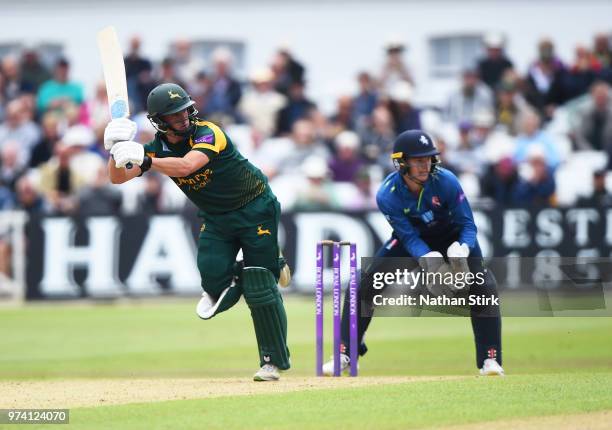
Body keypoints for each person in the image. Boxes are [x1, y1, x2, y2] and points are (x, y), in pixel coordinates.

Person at [103, 82, 291, 382]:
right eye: (175, 116)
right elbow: (117, 178)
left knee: (260, 285)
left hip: (255, 207)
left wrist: (146, 159)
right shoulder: (156, 147)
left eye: (185, 111)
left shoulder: (209, 132)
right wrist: (114, 150)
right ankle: (269, 262)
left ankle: (272, 361)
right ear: (159, 121)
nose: (184, 119)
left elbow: (188, 166)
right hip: (217, 218)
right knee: (213, 283)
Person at [322, 130, 503, 377]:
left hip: (454, 240)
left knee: (484, 286)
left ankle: (490, 360)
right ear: (401, 162)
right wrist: (428, 257)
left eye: (428, 159)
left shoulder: (447, 181)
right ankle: (345, 352)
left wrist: (462, 248)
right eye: (418, 160)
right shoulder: (387, 194)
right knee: (363, 284)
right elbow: (407, 235)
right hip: (412, 244)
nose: (425, 165)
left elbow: (468, 225)